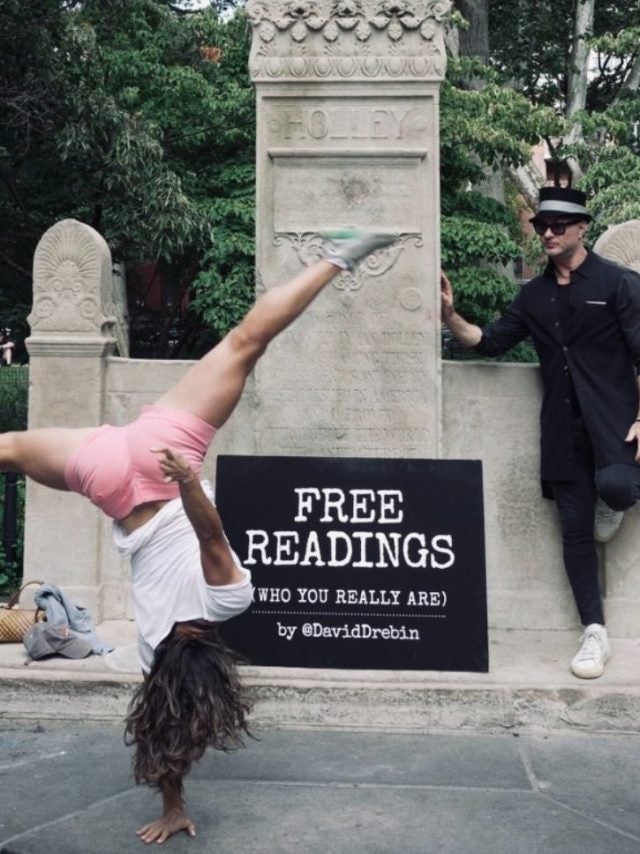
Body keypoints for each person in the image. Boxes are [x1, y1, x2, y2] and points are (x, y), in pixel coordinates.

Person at [0, 228, 398, 844]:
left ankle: (337, 257)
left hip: (166, 461)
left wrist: (188, 479)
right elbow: (165, 734)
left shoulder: (224, 604)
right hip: (115, 483)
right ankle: (337, 257)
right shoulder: (153, 652)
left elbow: (211, 536)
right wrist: (172, 805)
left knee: (245, 341)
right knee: (10, 451)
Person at [441, 186, 640, 681]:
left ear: (582, 228)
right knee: (574, 534)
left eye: (558, 225)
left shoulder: (619, 283)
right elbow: (490, 342)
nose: (548, 233)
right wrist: (450, 315)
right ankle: (594, 631)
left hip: (615, 423)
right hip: (560, 431)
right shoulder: (533, 295)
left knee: (618, 486)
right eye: (540, 226)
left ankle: (610, 500)